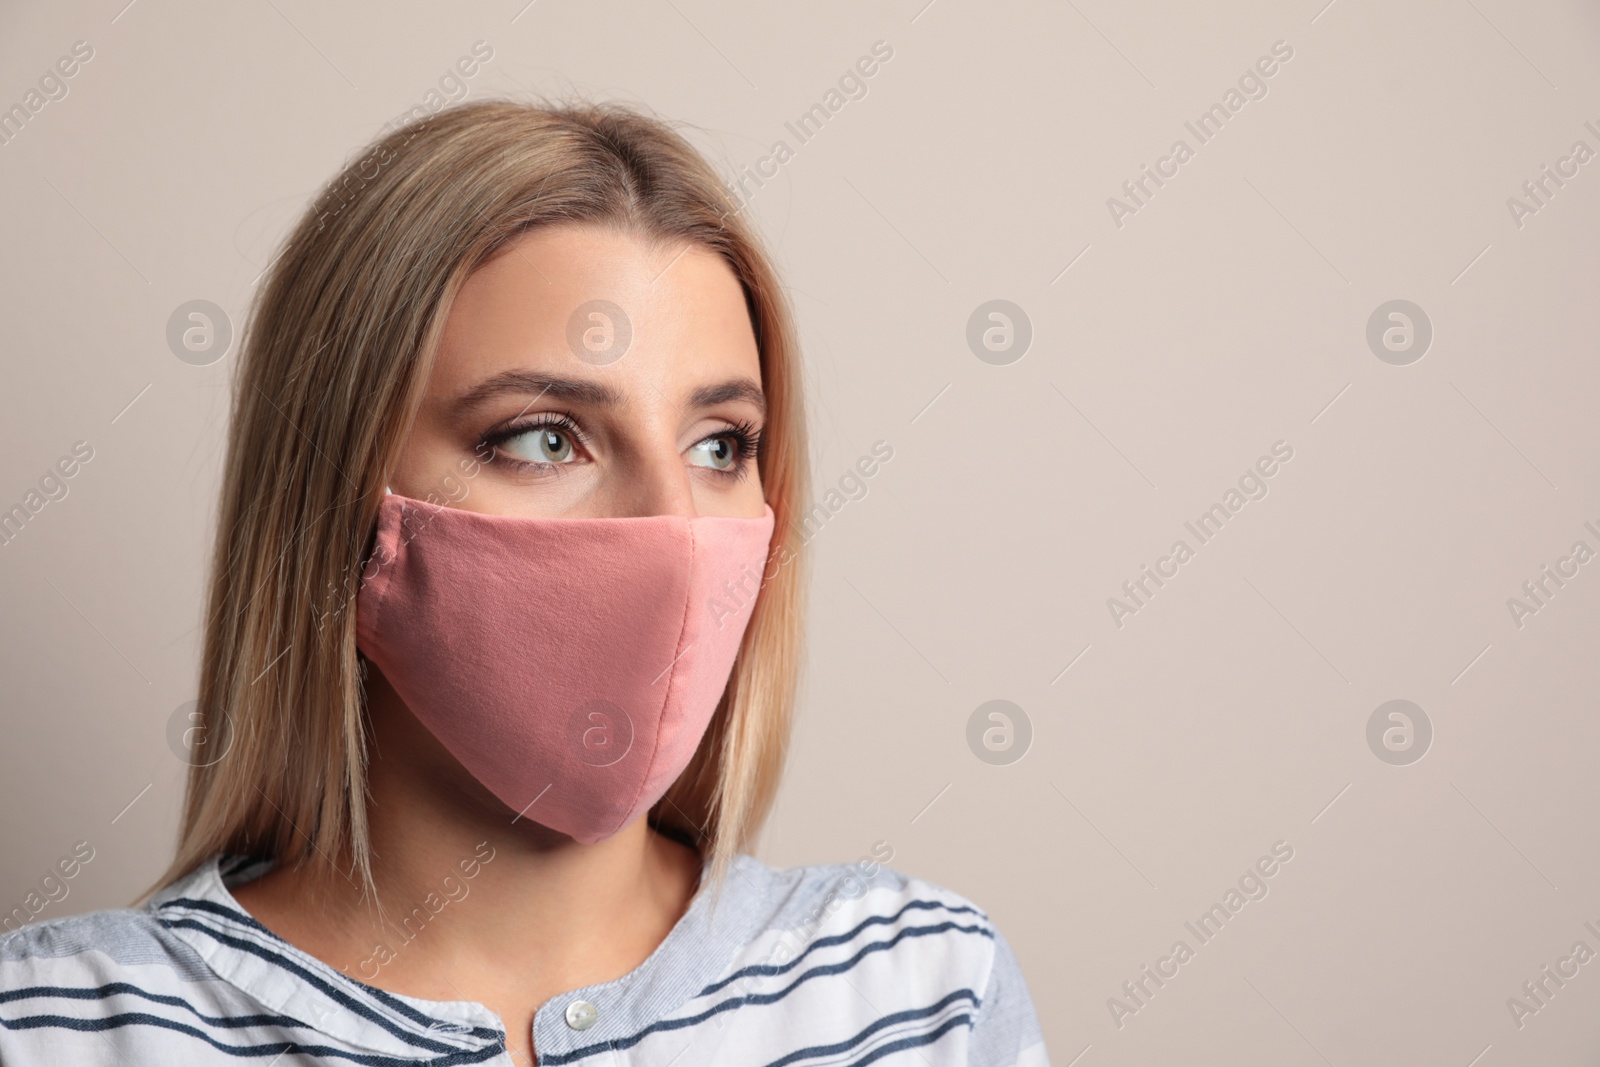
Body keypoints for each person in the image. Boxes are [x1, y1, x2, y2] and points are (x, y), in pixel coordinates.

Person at [0, 98, 1050, 1065]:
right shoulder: (55, 1028)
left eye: (720, 444)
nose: (675, 528)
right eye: (545, 437)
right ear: (336, 506)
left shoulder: (921, 992)